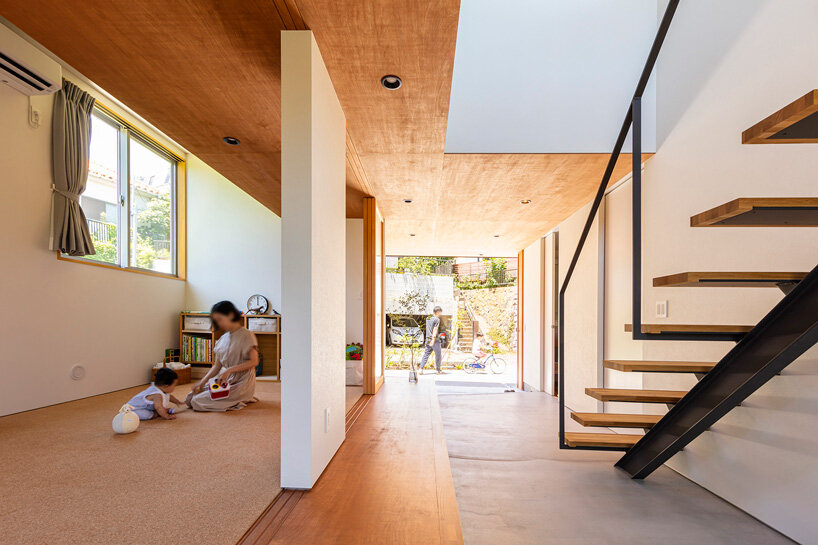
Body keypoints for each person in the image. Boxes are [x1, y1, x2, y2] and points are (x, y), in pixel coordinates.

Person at [185, 300, 260, 411]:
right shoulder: (223, 338)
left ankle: (241, 398)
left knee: (197, 402)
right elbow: (217, 366)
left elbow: (254, 361)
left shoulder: (247, 335)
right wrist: (201, 383)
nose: (219, 324)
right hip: (225, 380)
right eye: (216, 321)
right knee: (190, 397)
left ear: (230, 315)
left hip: (242, 382)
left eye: (220, 319)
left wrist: (229, 370)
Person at [419, 306, 445, 374]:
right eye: (440, 312)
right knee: (438, 355)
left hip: (427, 338)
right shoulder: (437, 319)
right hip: (434, 340)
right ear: (438, 312)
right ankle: (438, 370)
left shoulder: (428, 318)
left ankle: (421, 369)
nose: (440, 314)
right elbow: (435, 329)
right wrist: (433, 340)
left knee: (426, 354)